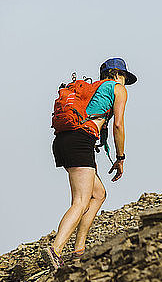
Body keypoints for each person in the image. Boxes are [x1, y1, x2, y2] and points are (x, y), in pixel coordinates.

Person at [41, 57, 137, 270]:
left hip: (63, 140)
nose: (124, 82)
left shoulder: (93, 88)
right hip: (80, 140)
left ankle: (79, 250)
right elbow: (118, 125)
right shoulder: (118, 89)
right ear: (118, 75)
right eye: (124, 77)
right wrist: (120, 158)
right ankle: (55, 250)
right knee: (81, 200)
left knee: (98, 194)